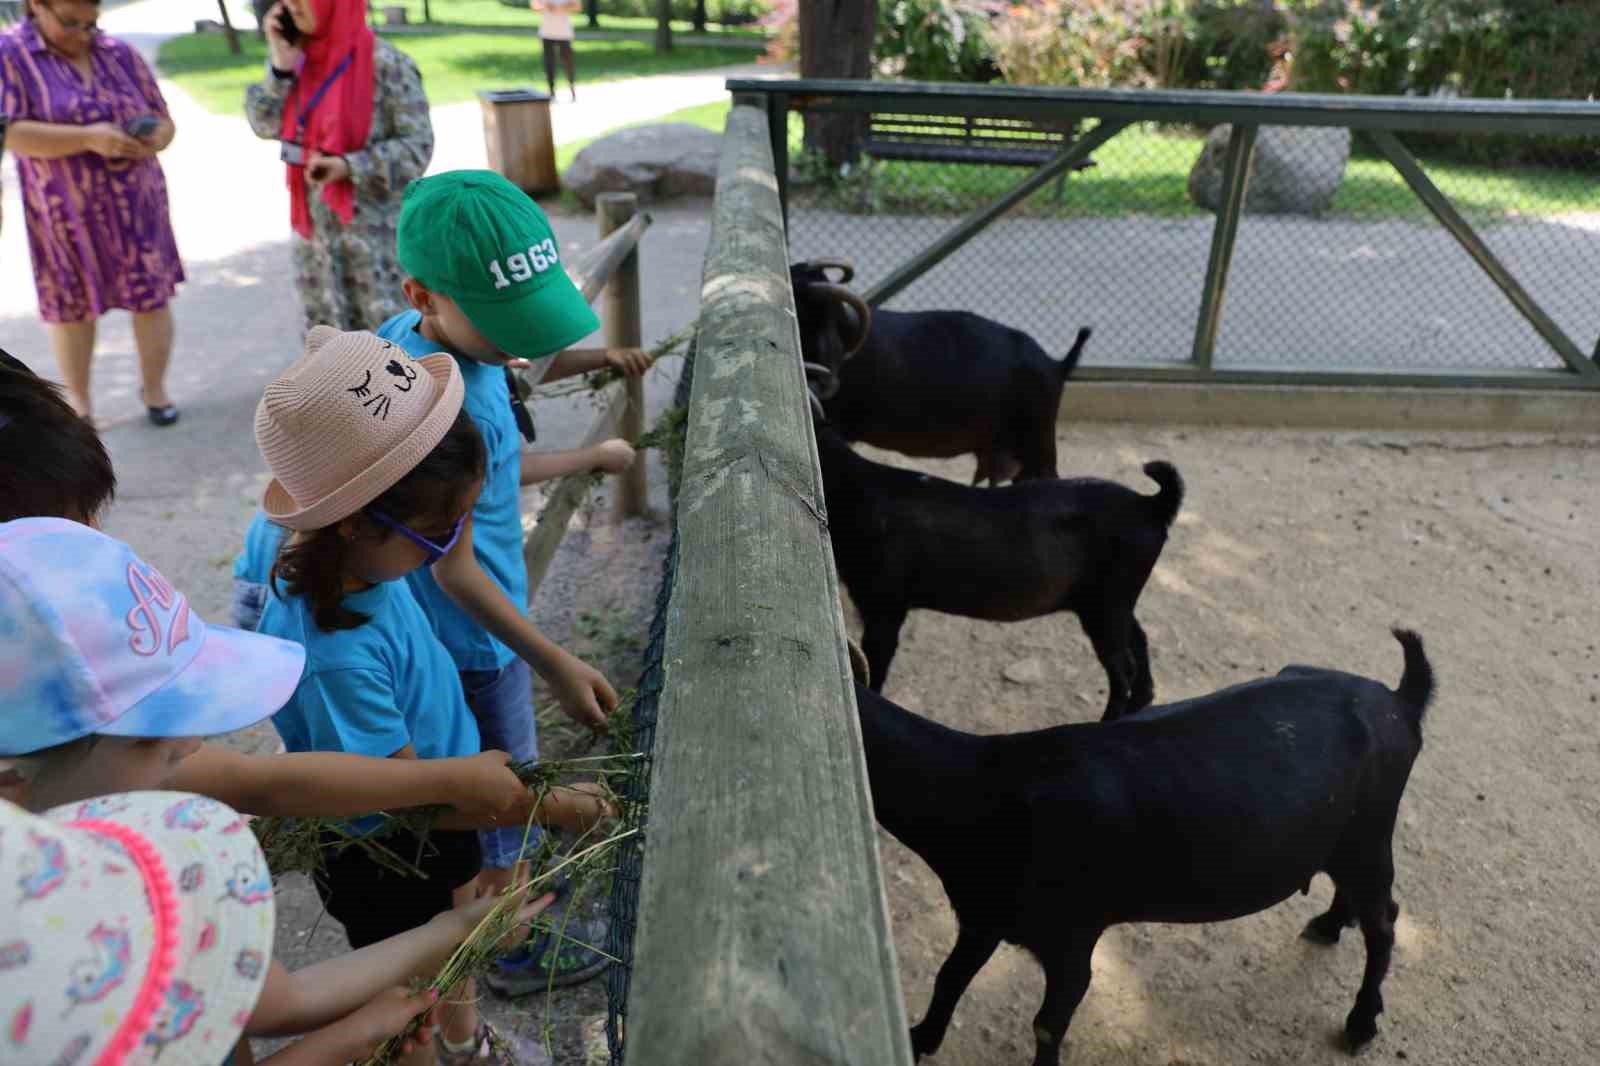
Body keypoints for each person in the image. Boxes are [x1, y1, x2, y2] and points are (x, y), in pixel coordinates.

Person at [0, 354, 604, 835]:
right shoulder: (336, 649)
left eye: (84, 530)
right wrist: (506, 798)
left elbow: (248, 780)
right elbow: (258, 785)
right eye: (60, 540)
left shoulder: (326, 554)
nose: (98, 551)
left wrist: (459, 777)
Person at [253, 326, 611, 1065]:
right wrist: (550, 804)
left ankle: (466, 1036)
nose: (452, 548)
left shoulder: (364, 565)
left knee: (457, 936)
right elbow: (407, 801)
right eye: (439, 531)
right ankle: (428, 1048)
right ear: (353, 519)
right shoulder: (339, 658)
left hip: (442, 800)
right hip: (387, 852)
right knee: (403, 997)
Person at [382, 168, 651, 996]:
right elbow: (456, 570)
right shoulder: (438, 405)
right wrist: (554, 661)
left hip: (477, 624)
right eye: (505, 326)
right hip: (474, 639)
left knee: (498, 782)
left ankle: (512, 899)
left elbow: (498, 453)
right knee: (505, 793)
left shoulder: (435, 340)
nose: (517, 343)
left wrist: (597, 374)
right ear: (422, 294)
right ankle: (510, 945)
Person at [0, 0, 183, 426]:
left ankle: (155, 392)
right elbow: (10, 132)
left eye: (91, 23)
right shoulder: (10, 54)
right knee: (71, 310)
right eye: (70, 22)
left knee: (152, 300)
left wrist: (156, 136)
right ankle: (79, 407)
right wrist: (88, 138)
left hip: (137, 207)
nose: (83, 33)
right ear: (36, 6)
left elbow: (165, 121)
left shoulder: (119, 53)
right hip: (63, 216)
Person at [246, 0, 432, 334]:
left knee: (390, 349)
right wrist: (279, 68)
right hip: (317, 244)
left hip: (375, 245)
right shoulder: (296, 63)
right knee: (329, 347)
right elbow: (264, 123)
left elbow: (417, 147)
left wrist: (349, 166)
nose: (291, 5)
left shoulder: (386, 64)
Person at [531, 0, 579, 101]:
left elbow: (577, 6)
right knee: (549, 63)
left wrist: (561, 8)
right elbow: (534, 6)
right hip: (547, 32)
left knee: (568, 62)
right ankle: (551, 91)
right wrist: (546, 6)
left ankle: (572, 88)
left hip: (564, 33)